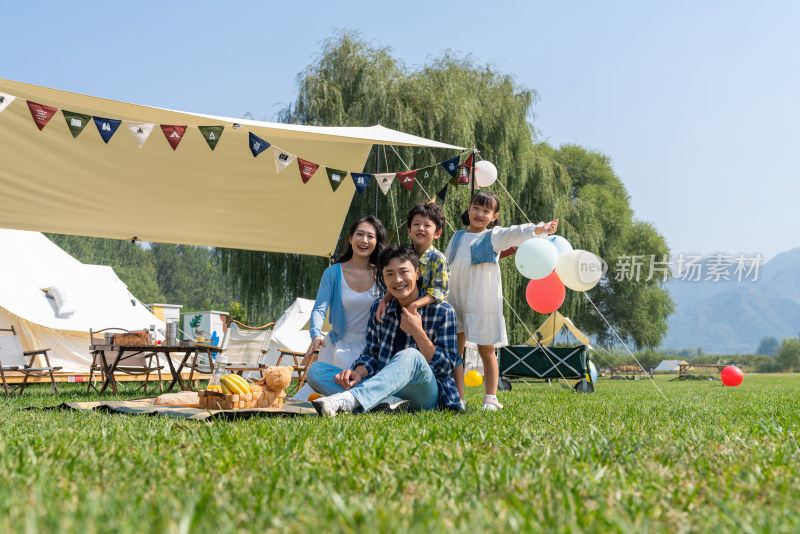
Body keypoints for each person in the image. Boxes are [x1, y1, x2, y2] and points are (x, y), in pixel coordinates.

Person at [306, 244, 461, 417]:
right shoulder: (380, 308)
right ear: (383, 278)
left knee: (411, 355)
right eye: (390, 274)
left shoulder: (443, 311)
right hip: (384, 386)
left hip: (425, 394)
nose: (397, 280)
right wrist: (358, 372)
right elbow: (372, 354)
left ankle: (350, 400)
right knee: (316, 371)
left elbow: (445, 368)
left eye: (403, 272)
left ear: (417, 273)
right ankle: (385, 403)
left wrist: (418, 332)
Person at [445, 191, 558, 411]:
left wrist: (540, 229)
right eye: (476, 208)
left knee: (486, 350)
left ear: (494, 216)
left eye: (486, 211)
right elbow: (446, 263)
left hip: (481, 300)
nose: (479, 213)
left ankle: (491, 397)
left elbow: (516, 232)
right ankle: (457, 396)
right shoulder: (457, 236)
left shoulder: (494, 236)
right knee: (455, 352)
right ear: (469, 209)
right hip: (456, 300)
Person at [292, 215, 387, 401]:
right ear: (350, 238)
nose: (364, 241)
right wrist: (316, 335)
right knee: (322, 384)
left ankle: (358, 398)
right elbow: (320, 308)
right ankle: (361, 399)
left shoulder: (383, 274)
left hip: (370, 349)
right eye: (359, 234)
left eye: (370, 236)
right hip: (337, 346)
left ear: (377, 242)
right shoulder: (333, 272)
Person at [375, 201, 449, 320]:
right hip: (404, 308)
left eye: (427, 225)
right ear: (409, 230)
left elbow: (439, 291)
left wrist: (415, 305)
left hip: (429, 313)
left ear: (437, 233)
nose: (420, 228)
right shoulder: (403, 254)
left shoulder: (438, 259)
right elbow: (396, 282)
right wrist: (384, 299)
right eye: (416, 224)